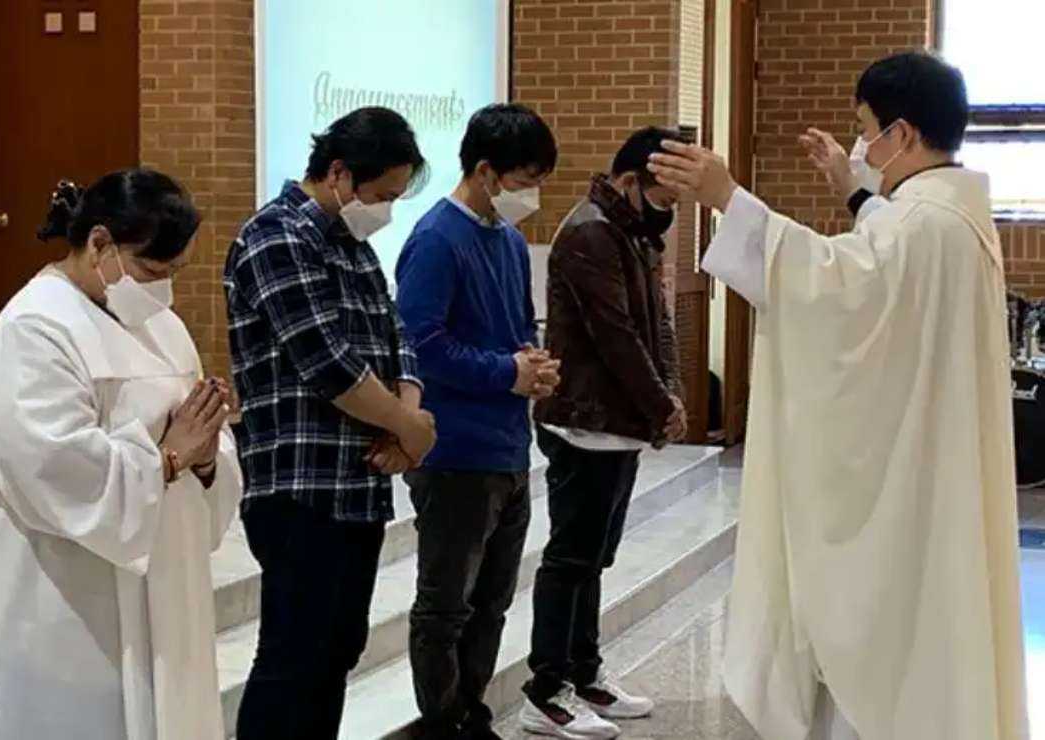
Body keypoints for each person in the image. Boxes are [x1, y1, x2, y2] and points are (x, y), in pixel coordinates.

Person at [648, 51, 1029, 740]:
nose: (861, 145)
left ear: (902, 134)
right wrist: (853, 192)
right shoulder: (951, 215)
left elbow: (835, 286)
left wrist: (729, 198)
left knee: (890, 655)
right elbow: (877, 261)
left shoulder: (924, 225)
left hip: (906, 497)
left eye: (864, 129)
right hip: (936, 470)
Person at [0, 170, 243, 740]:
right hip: (60, 607)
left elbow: (192, 435)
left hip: (165, 590)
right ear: (99, 243)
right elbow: (53, 467)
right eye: (152, 271)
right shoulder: (33, 330)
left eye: (174, 273)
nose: (163, 290)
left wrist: (207, 455)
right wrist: (167, 459)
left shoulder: (162, 326)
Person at [224, 106, 437, 740]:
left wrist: (405, 416)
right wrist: (412, 429)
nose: (386, 210)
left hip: (358, 482)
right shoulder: (276, 236)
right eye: (382, 195)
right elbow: (326, 361)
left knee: (338, 649)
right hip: (300, 486)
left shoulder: (354, 245)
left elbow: (396, 336)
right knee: (293, 656)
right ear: (339, 173)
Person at [395, 103, 560, 740]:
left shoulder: (509, 240)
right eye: (524, 180)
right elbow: (421, 345)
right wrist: (504, 373)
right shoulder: (436, 239)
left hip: (508, 447)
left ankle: (473, 713)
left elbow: (517, 328)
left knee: (492, 602)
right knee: (446, 605)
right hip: (454, 450)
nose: (530, 195)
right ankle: (442, 722)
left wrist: (534, 366)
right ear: (486, 171)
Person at [518, 127, 688, 740]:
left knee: (594, 556)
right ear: (629, 180)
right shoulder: (592, 231)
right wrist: (659, 404)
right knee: (571, 557)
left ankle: (584, 671)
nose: (668, 211)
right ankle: (545, 691)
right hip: (584, 421)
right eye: (663, 197)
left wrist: (672, 395)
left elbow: (658, 322)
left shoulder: (633, 231)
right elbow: (615, 335)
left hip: (619, 423)